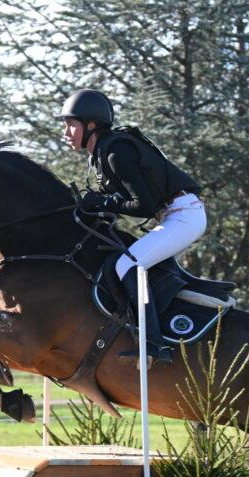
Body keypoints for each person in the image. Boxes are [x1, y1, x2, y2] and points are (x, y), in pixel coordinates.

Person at [58, 88, 206, 368]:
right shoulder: (102, 152)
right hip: (174, 214)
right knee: (124, 259)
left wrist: (102, 202)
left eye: (71, 124)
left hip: (184, 215)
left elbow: (143, 206)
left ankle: (152, 345)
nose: (65, 131)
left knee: (128, 265)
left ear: (91, 126)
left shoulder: (115, 152)